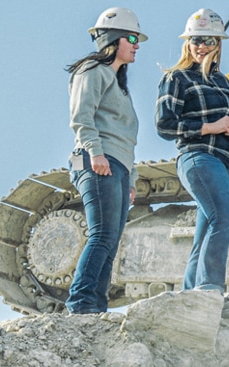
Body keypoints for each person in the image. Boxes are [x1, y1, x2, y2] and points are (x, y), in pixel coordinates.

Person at [156, 9, 229, 315]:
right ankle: (210, 290)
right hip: (198, 156)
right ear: (188, 42)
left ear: (218, 43)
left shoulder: (223, 82)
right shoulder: (176, 78)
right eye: (196, 39)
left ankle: (189, 296)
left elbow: (228, 121)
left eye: (208, 39)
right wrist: (210, 127)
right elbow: (165, 126)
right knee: (222, 217)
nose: (201, 45)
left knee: (208, 226)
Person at [64, 7, 146, 315]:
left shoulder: (120, 87)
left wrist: (132, 180)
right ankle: (81, 302)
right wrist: (95, 153)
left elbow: (127, 138)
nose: (137, 45)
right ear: (113, 39)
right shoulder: (91, 72)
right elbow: (81, 117)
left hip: (118, 166)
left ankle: (96, 306)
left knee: (111, 240)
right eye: (133, 38)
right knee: (101, 235)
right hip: (98, 161)